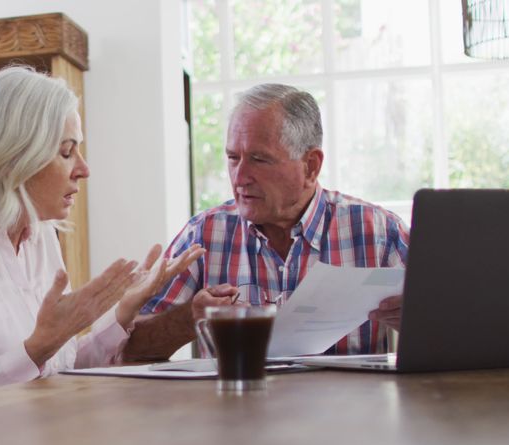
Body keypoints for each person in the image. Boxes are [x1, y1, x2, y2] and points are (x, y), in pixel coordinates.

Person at [0, 66, 203, 402]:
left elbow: (61, 371)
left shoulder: (40, 236)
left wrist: (123, 312)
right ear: (14, 157)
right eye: (67, 152)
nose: (83, 169)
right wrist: (37, 348)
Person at [124, 83, 409, 361]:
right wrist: (190, 317)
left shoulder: (379, 232)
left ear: (311, 165)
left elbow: (448, 330)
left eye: (259, 159)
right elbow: (130, 348)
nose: (239, 176)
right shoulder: (204, 234)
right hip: (236, 406)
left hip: (351, 407)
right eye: (233, 158)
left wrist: (420, 320)